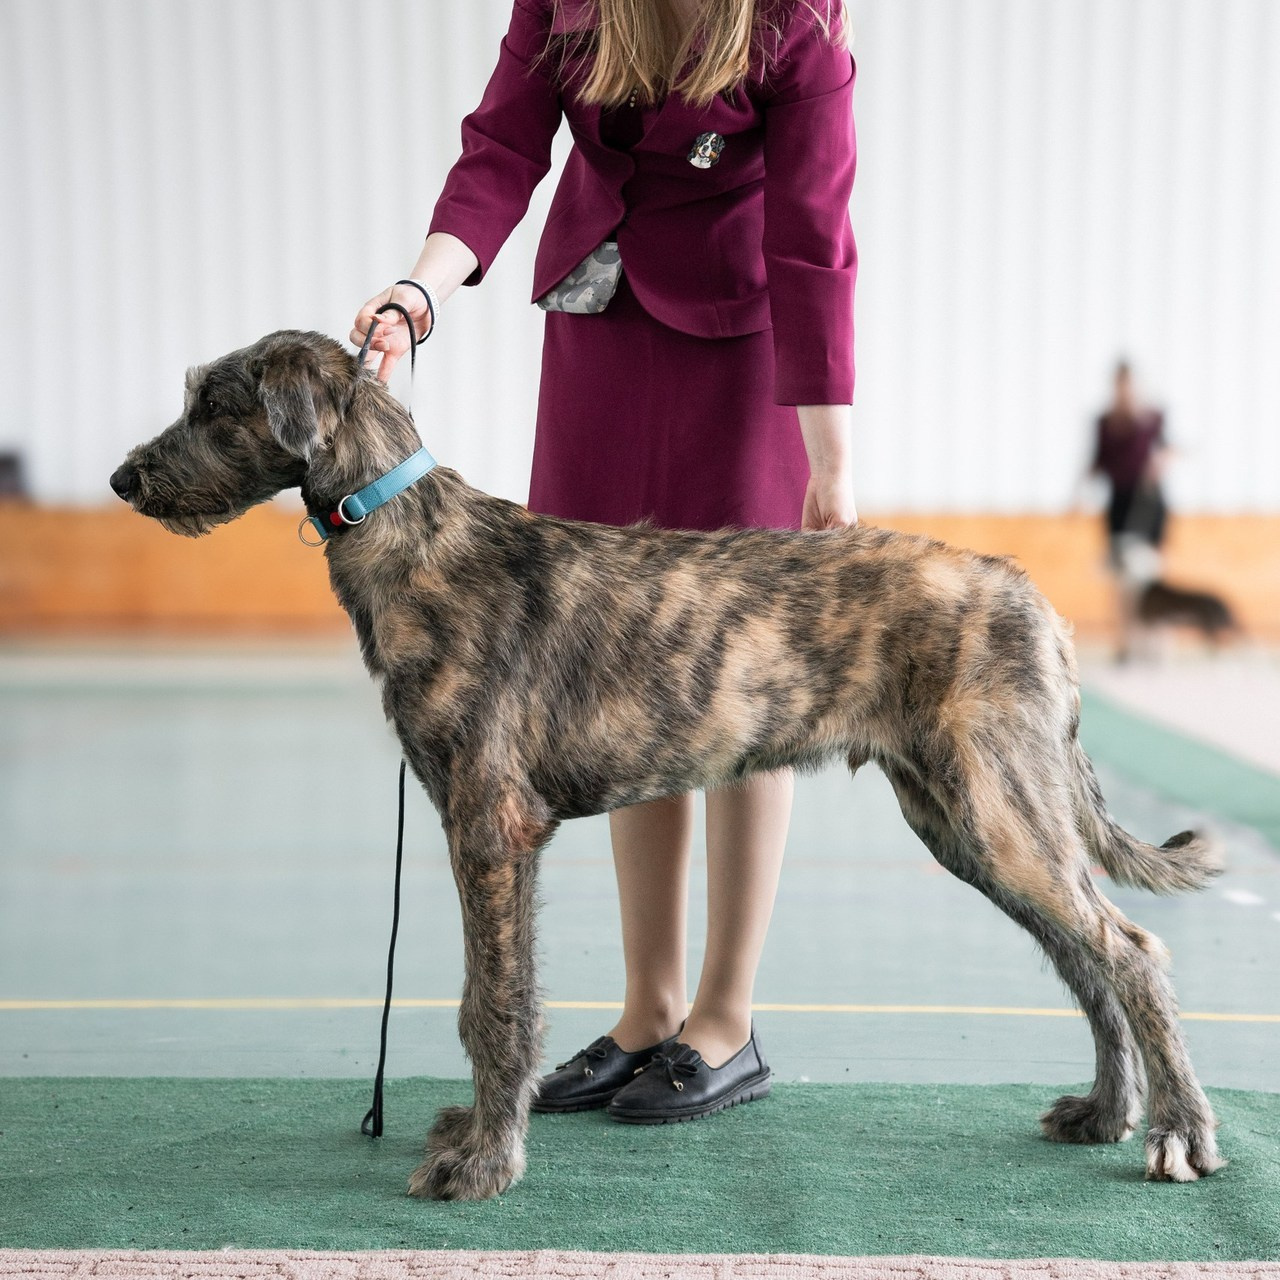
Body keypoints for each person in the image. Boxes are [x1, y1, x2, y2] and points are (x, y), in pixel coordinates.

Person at [351, 0, 857, 1123]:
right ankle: (646, 1010)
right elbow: (501, 147)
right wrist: (417, 291)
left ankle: (722, 1021)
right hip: (597, 323)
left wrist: (829, 458)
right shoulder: (567, 4)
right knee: (621, 670)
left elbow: (813, 232)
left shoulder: (795, 26)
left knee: (735, 681)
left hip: (744, 348)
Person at [1089, 359, 1170, 661]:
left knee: (1152, 575)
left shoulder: (1153, 418)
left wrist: (1161, 461)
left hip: (1148, 504)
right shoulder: (1104, 422)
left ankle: (1154, 644)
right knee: (1121, 580)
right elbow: (1096, 459)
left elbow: (1166, 449)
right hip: (1120, 506)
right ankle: (1124, 644)